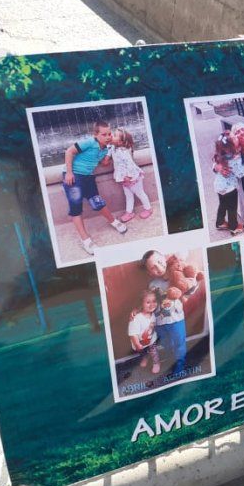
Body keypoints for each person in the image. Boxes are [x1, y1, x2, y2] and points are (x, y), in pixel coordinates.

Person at [62, 120, 128, 256]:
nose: (108, 136)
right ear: (96, 135)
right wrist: (69, 173)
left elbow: (104, 163)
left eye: (110, 134)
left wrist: (112, 150)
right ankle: (85, 240)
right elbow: (69, 151)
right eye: (104, 134)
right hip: (74, 177)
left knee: (97, 202)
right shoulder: (89, 142)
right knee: (76, 208)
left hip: (88, 177)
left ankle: (113, 222)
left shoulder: (106, 147)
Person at [140, 250, 188, 379]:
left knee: (179, 342)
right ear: (149, 272)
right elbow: (150, 303)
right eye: (153, 268)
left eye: (160, 262)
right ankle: (171, 359)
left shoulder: (176, 276)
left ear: (164, 258)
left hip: (176, 319)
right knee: (166, 343)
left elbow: (187, 285)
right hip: (160, 322)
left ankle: (180, 364)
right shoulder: (152, 285)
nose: (159, 268)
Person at [211, 132, 244, 235]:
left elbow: (215, 164)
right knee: (232, 208)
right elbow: (241, 172)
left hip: (219, 186)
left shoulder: (221, 153)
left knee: (223, 204)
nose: (237, 137)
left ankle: (219, 222)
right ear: (231, 147)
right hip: (229, 188)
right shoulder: (234, 159)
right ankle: (234, 227)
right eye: (234, 138)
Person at [110, 127, 152, 223]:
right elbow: (108, 151)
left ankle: (148, 208)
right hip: (124, 179)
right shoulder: (113, 147)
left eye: (115, 135)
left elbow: (129, 164)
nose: (112, 135)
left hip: (132, 178)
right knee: (128, 195)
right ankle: (129, 212)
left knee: (140, 193)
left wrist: (128, 177)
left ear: (120, 142)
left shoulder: (123, 152)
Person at [128, 289, 160, 377]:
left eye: (154, 301)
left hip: (151, 340)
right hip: (140, 343)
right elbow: (132, 333)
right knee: (143, 352)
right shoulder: (136, 318)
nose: (152, 304)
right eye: (148, 302)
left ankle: (156, 363)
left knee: (153, 351)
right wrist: (137, 344)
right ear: (141, 304)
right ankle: (145, 358)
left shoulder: (153, 313)